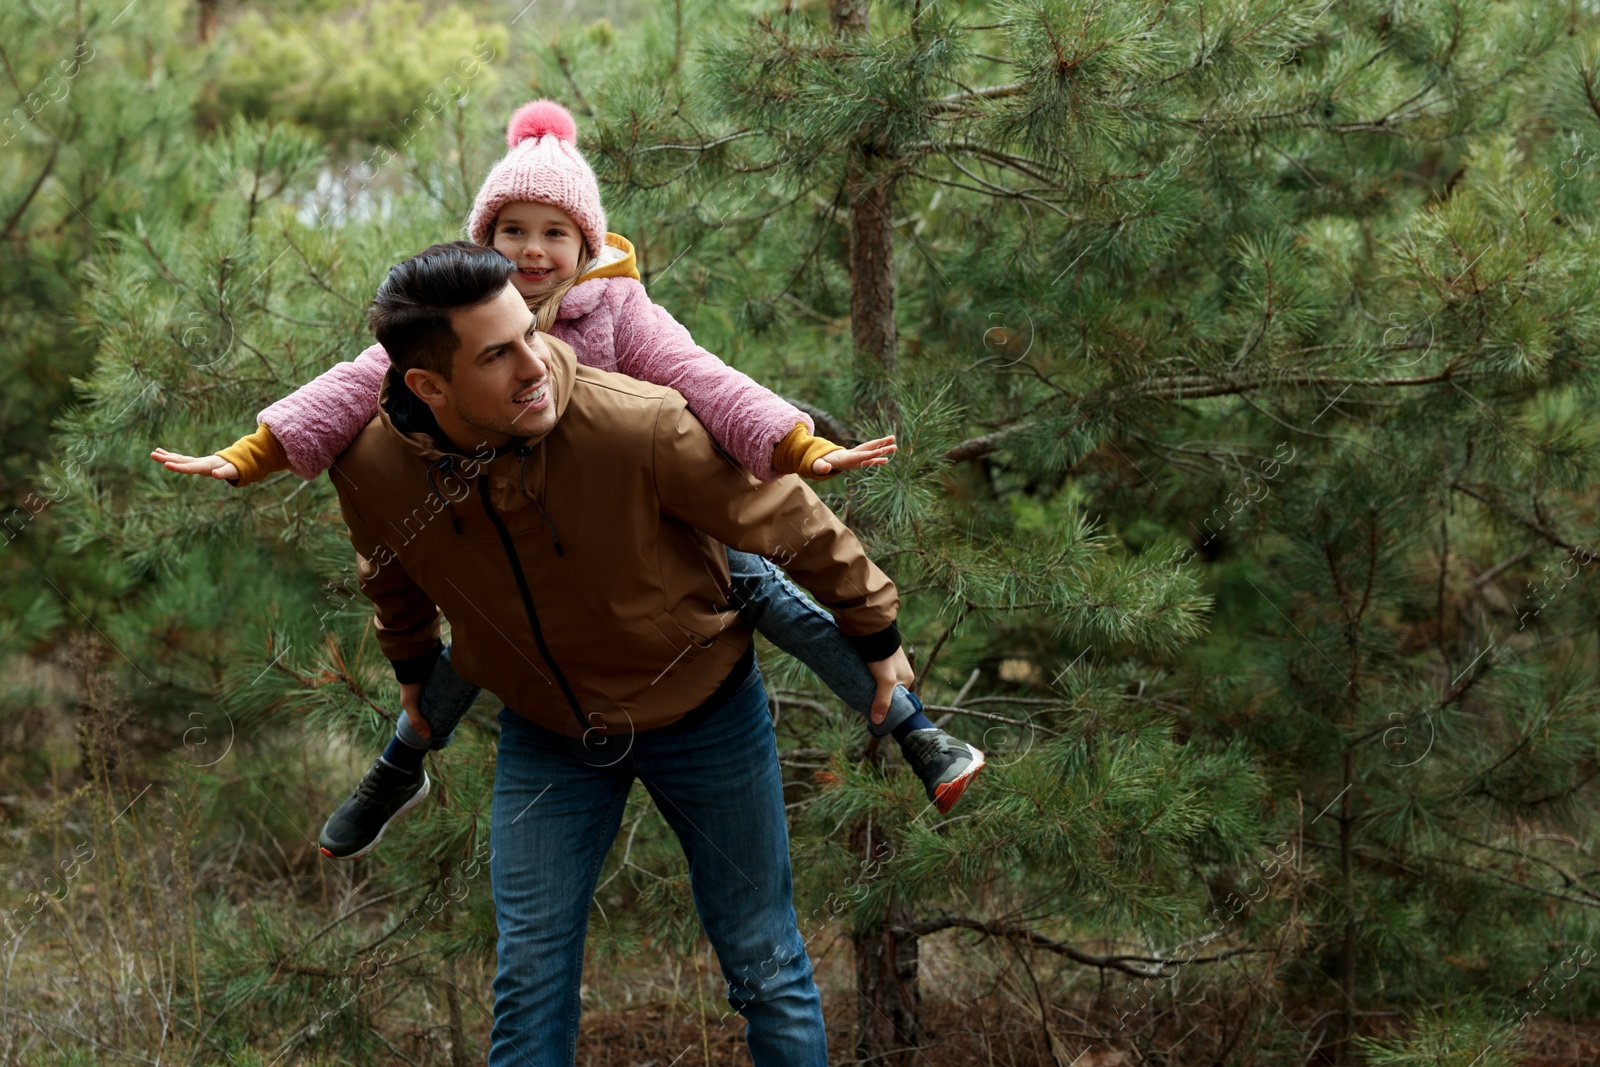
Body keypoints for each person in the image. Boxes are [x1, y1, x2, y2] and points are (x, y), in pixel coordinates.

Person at [151, 100, 983, 860]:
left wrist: (799, 446)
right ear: (485, 239)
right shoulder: (450, 327)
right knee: (488, 630)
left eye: (555, 232)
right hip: (517, 547)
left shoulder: (622, 317)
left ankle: (917, 732)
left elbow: (709, 380)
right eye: (512, 229)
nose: (532, 250)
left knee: (762, 584)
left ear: (588, 246)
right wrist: (249, 453)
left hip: (653, 547)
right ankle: (401, 762)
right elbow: (345, 389)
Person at [335, 239, 908, 1063]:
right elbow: (389, 573)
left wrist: (876, 629)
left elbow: (787, 517)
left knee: (764, 962)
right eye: (497, 355)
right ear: (427, 385)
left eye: (528, 333)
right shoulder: (372, 466)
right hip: (548, 737)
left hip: (704, 711)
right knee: (528, 983)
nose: (534, 364)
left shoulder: (630, 423)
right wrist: (414, 668)